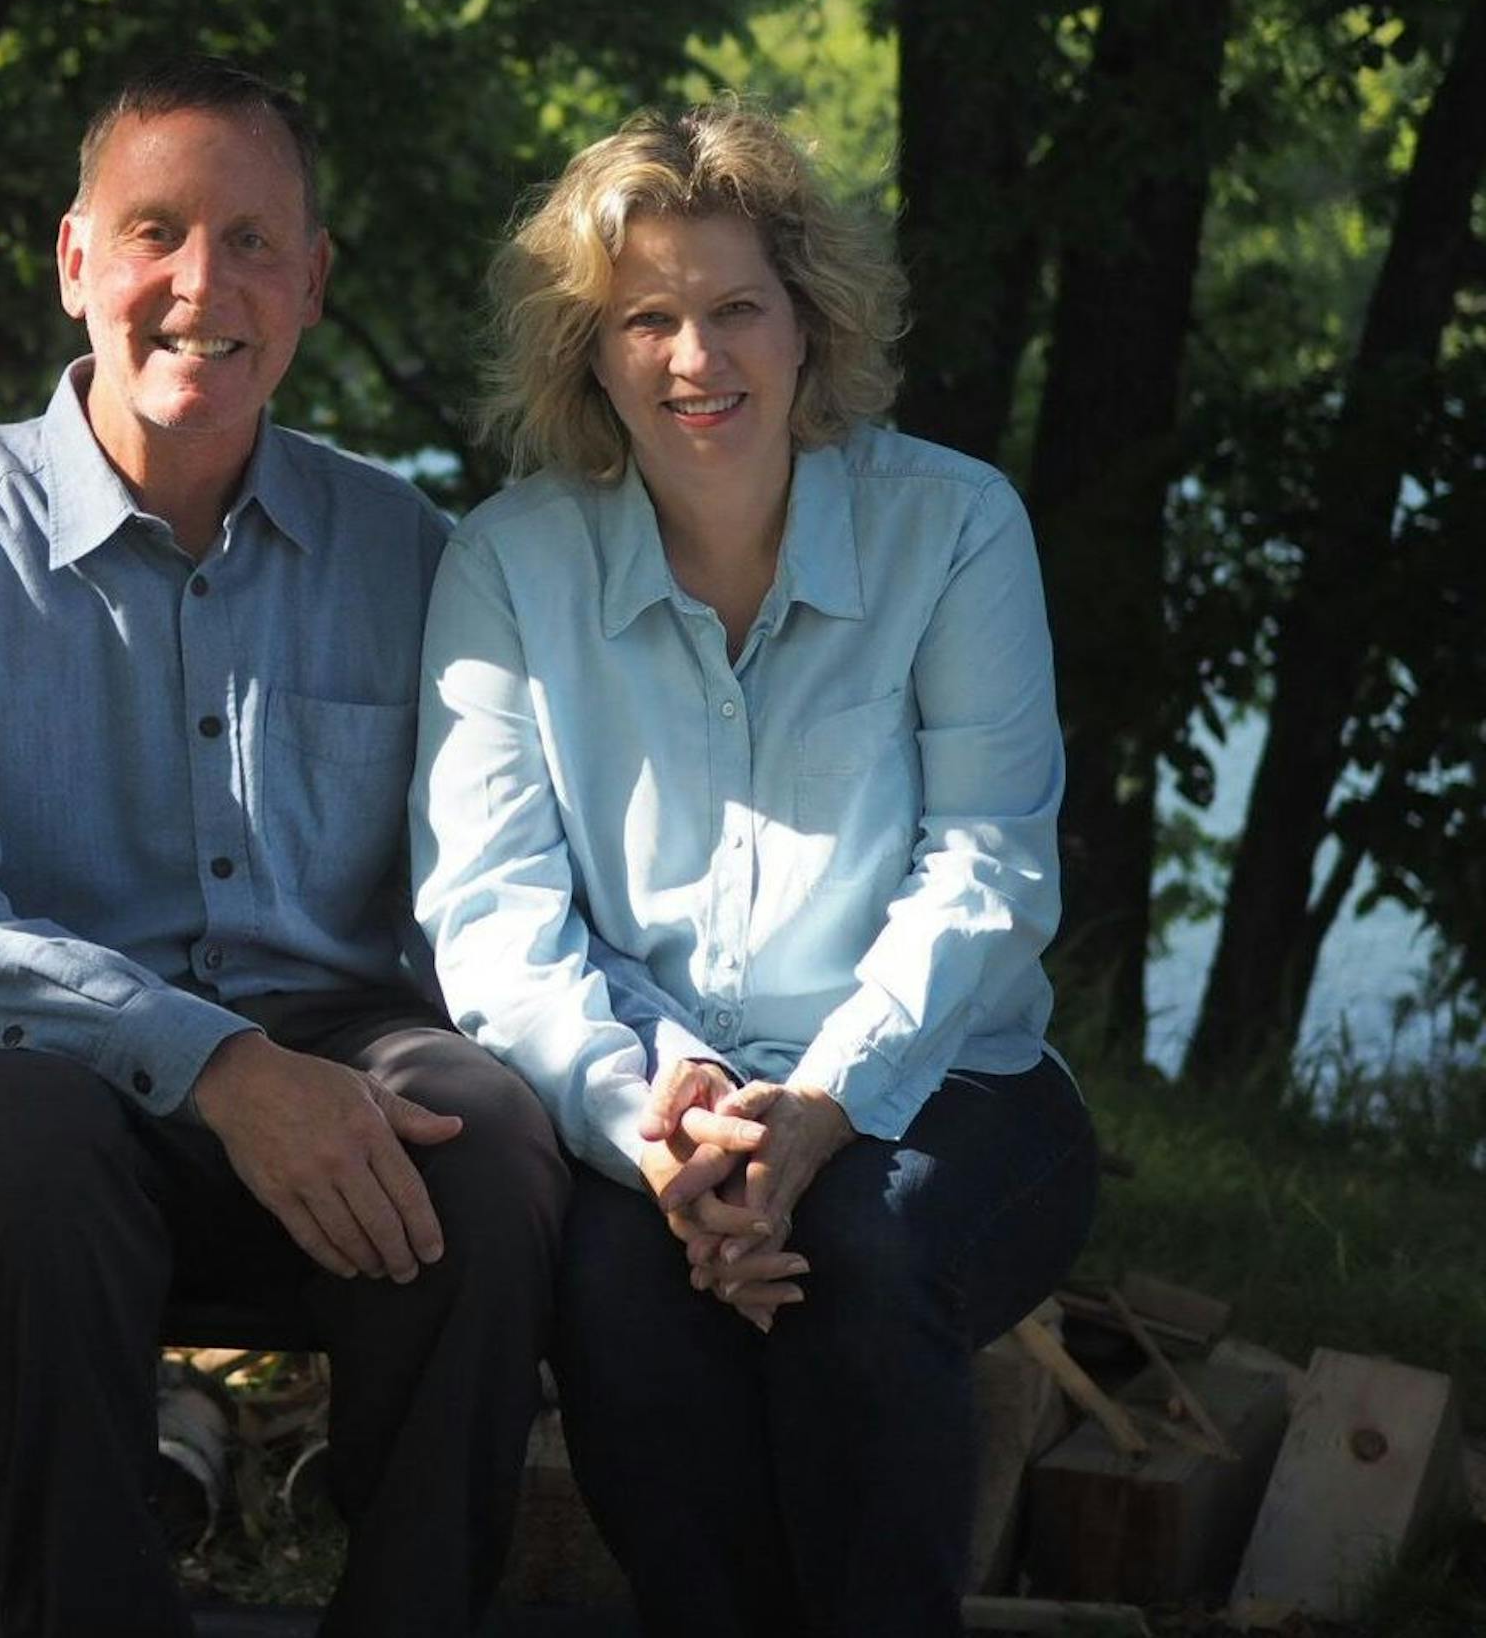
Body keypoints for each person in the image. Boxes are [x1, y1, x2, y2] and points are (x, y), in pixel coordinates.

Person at [0, 56, 566, 1638]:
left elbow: (486, 881)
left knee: (487, 1140)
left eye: (252, 240)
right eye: (156, 230)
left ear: (313, 282)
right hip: (30, 1065)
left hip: (341, 1050)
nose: (200, 283)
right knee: (17, 1146)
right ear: (75, 258)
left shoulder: (410, 551)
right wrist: (218, 1064)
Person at [411, 96, 1099, 1638]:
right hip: (651, 1099)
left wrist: (824, 1104)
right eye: (645, 319)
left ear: (809, 322)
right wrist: (649, 1126)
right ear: (590, 353)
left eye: (735, 308)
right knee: (616, 1286)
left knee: (861, 1247)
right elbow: (492, 911)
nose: (694, 357)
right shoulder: (508, 564)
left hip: (946, 1086)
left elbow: (988, 866)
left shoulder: (956, 527)